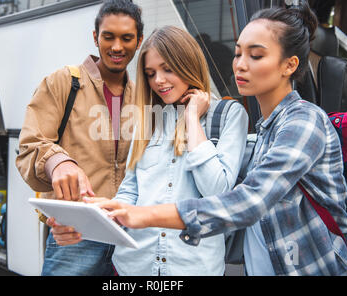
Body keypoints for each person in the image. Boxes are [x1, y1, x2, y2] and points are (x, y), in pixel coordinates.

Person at [88, 2, 347, 276]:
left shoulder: (303, 121)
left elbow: (248, 201)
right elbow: (132, 189)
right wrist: (96, 218)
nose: (240, 64)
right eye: (238, 53)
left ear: (289, 65)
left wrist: (144, 215)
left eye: (255, 56)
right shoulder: (264, 130)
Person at [54, 25, 249, 276]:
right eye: (150, 73)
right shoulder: (148, 119)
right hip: (133, 266)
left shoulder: (229, 116)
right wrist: (99, 215)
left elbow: (217, 192)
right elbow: (131, 188)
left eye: (168, 69)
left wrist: (191, 118)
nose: (158, 81)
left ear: (188, 62)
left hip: (192, 269)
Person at [15, 0, 143, 276]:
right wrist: (59, 161)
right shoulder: (64, 82)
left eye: (127, 38)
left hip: (128, 235)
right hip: (75, 233)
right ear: (95, 37)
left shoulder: (143, 97)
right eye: (109, 37)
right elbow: (30, 146)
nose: (117, 46)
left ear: (139, 41)